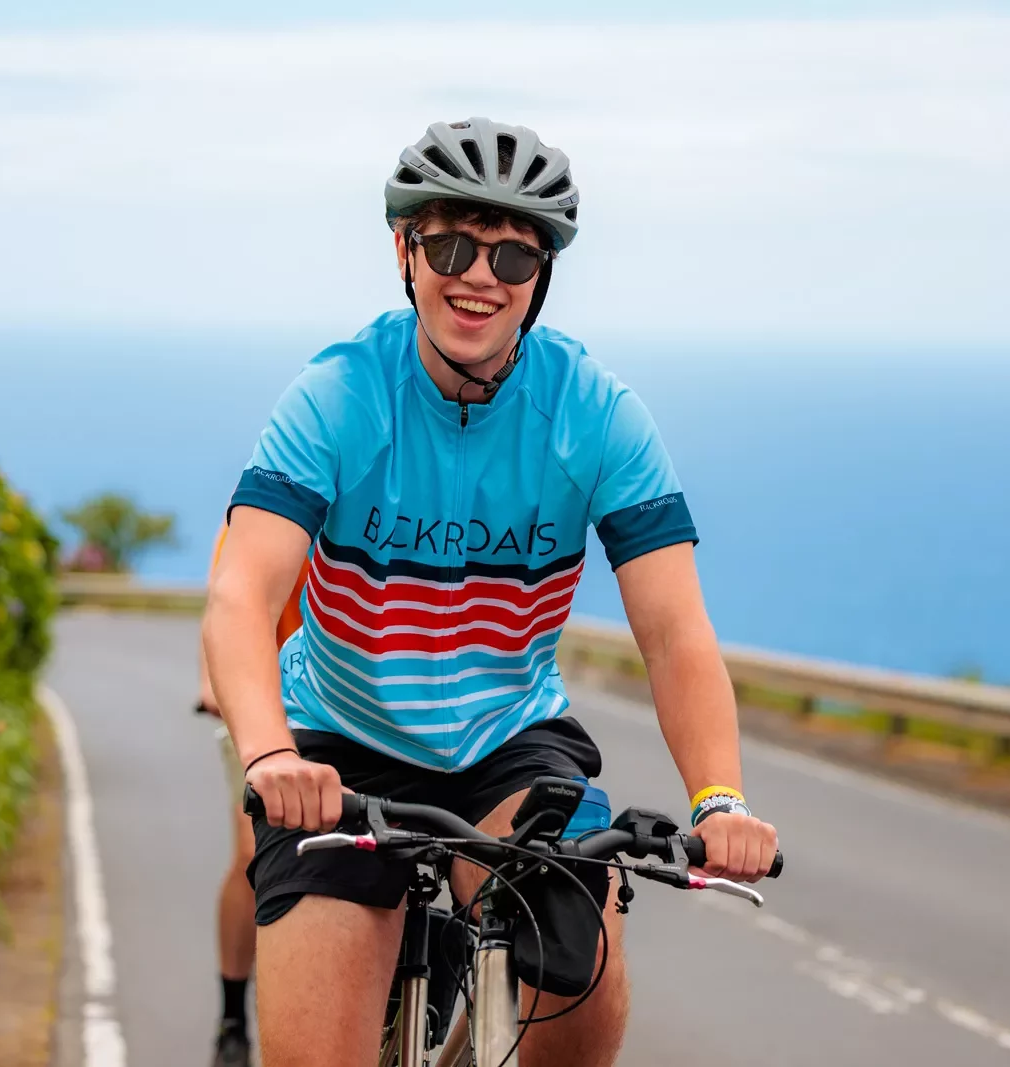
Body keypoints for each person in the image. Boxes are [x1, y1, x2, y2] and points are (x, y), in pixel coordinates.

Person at [202, 117, 779, 1067]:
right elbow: (240, 594)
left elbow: (675, 632)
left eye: (512, 257)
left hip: (505, 740)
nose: (480, 276)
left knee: (580, 982)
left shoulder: (595, 412)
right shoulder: (338, 395)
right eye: (453, 244)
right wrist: (269, 754)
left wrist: (719, 799)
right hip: (339, 741)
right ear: (406, 251)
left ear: (542, 275)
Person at [196, 524, 308, 1067]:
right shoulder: (276, 507)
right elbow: (231, 599)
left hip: (360, 717)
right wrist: (211, 685)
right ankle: (233, 1017)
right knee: (252, 857)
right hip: (269, 710)